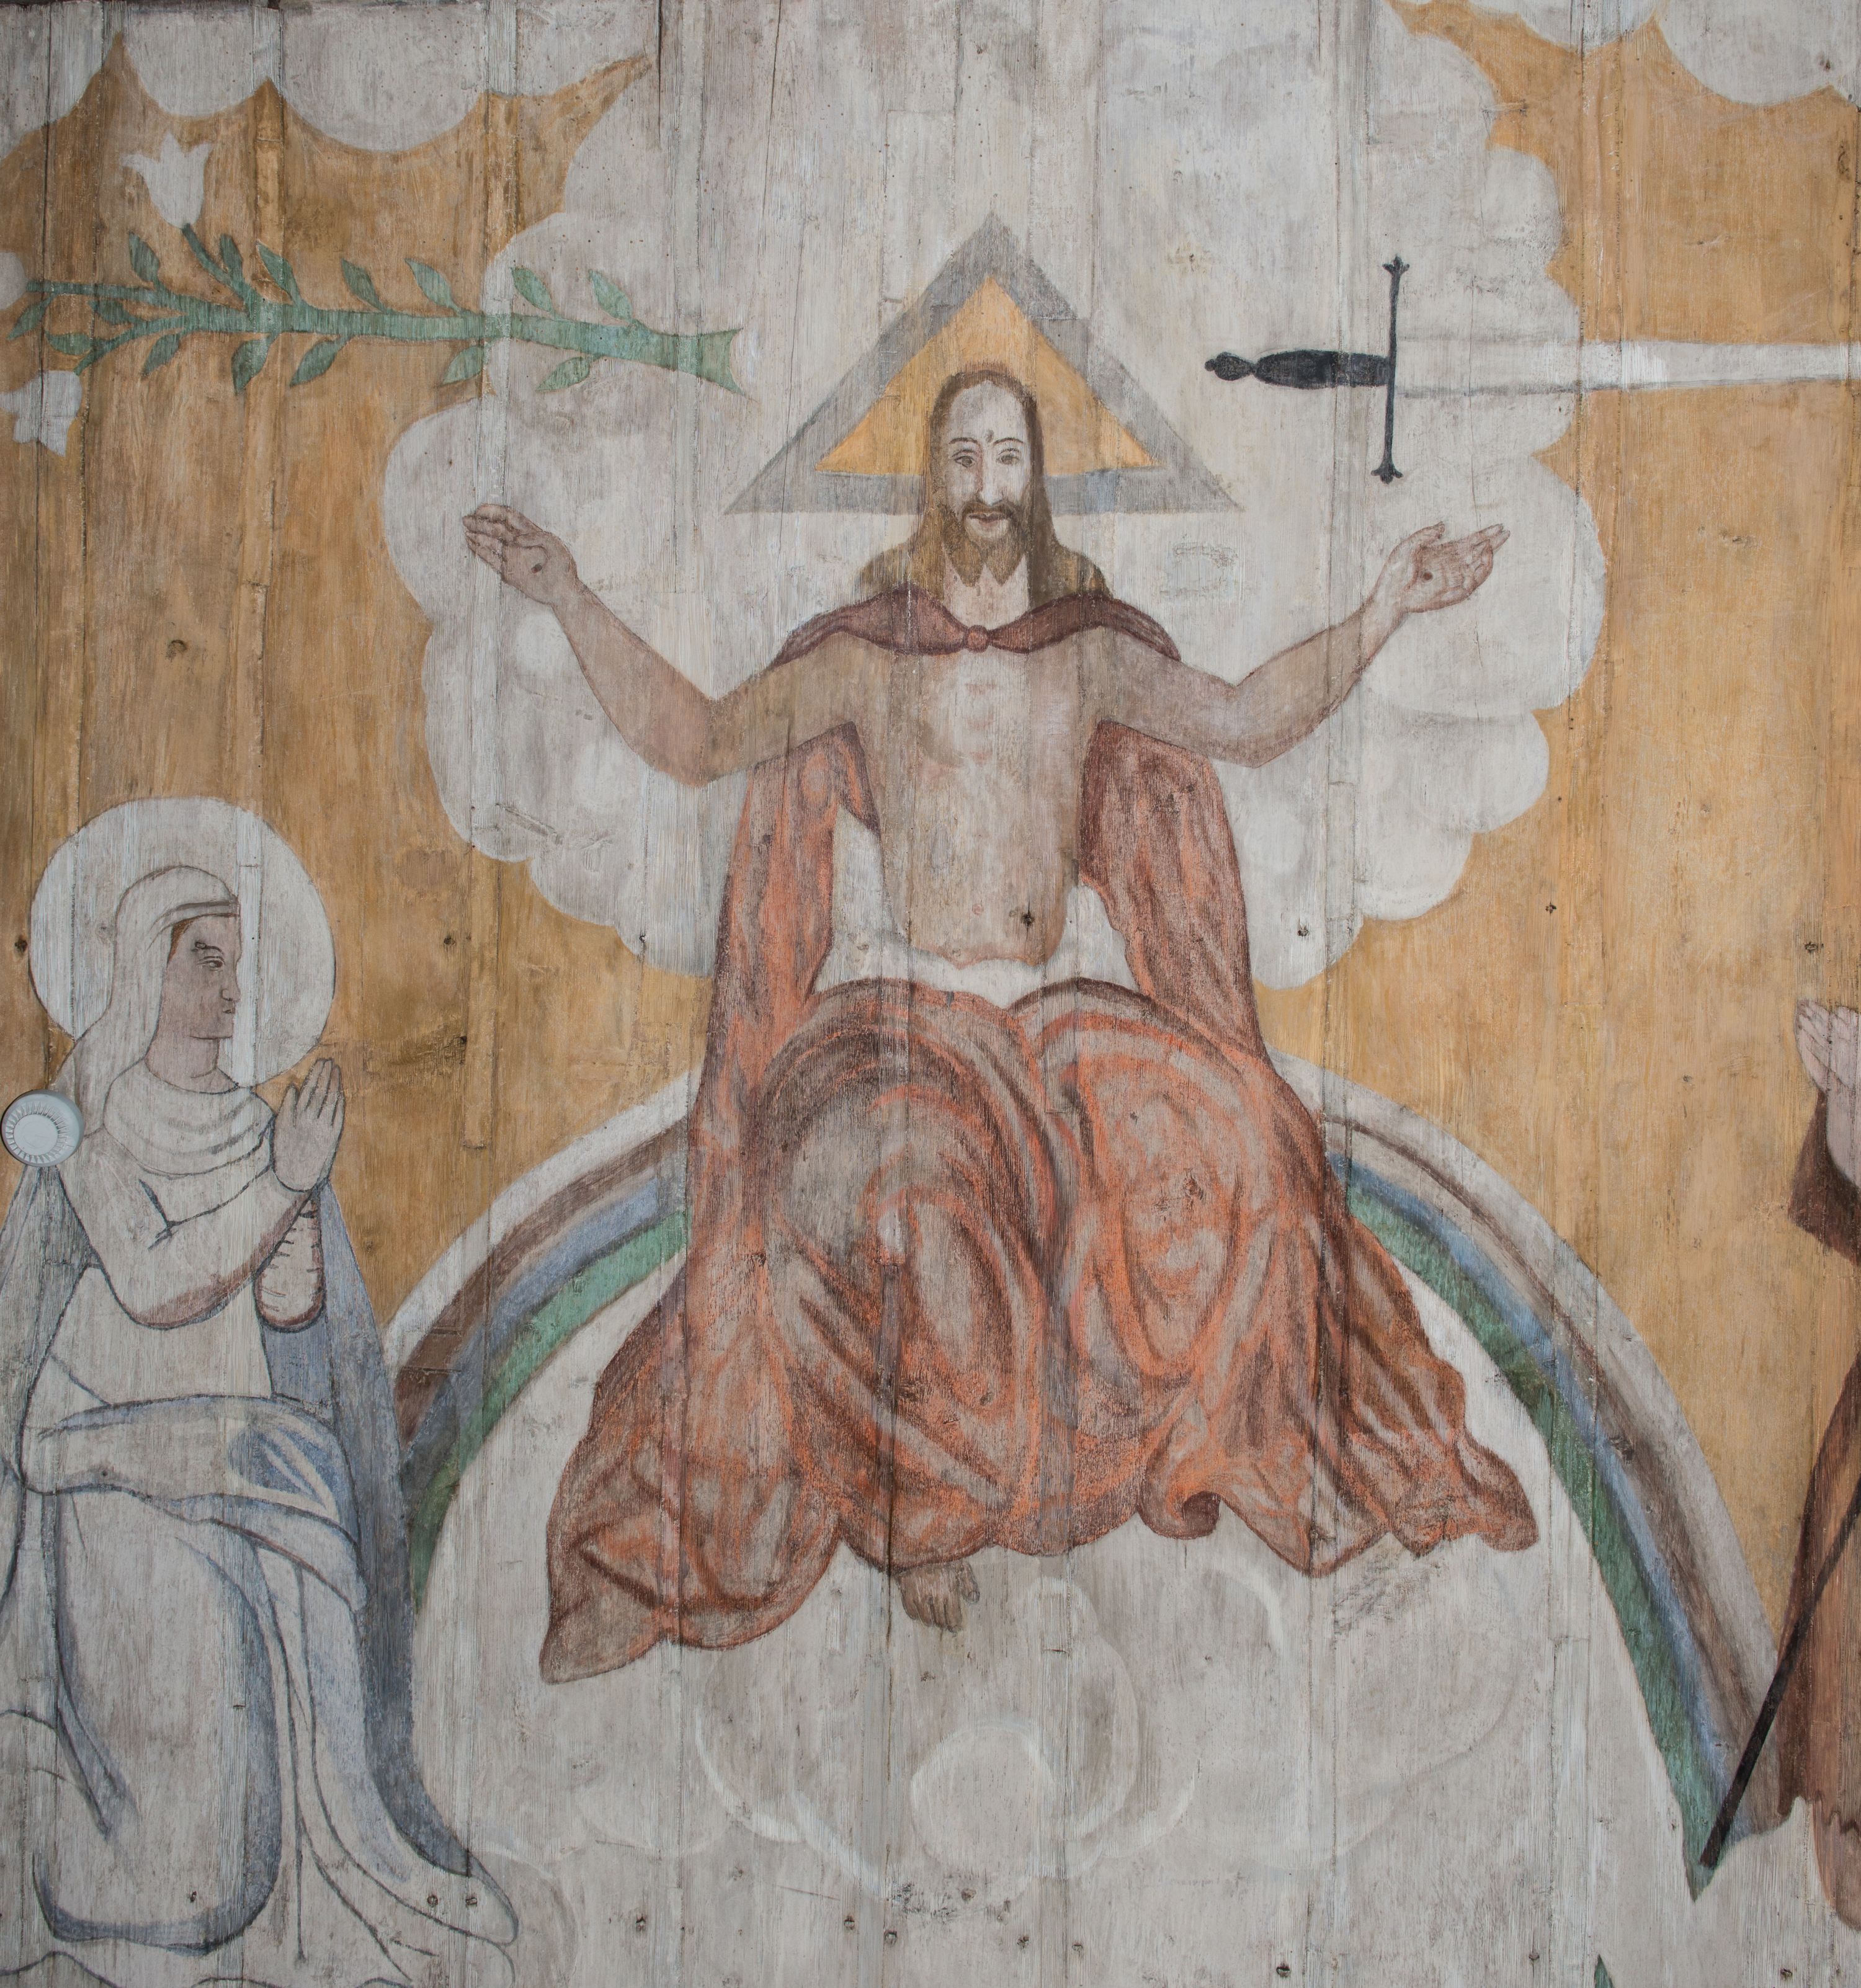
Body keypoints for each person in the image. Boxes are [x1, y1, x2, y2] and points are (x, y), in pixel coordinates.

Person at [466, 364, 1537, 1684]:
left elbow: (1247, 722)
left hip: (1049, 1024)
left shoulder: (1086, 652)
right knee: (901, 1207)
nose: (986, 488)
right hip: (900, 1021)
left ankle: (1178, 1450)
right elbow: (696, 740)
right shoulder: (864, 658)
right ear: (935, 479)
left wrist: (1385, 610)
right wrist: (570, 596)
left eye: (1008, 458)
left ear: (1038, 482)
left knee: (1243, 1154)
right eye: (965, 459)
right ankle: (920, 1506)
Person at [0, 865, 515, 1986]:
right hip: (112, 1463)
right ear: (145, 965)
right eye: (207, 960)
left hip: (236, 1451)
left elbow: (286, 1313)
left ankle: (308, 1901)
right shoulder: (91, 1122)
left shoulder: (253, 1125)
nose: (232, 989)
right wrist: (282, 1186)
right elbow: (153, 1282)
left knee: (280, 1734)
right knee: (186, 1839)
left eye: (237, 963)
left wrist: (297, 1255)